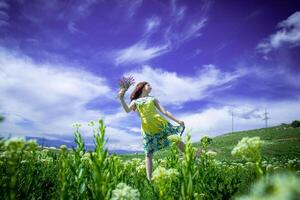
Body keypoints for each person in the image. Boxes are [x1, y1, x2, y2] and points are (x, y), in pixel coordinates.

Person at [118, 81, 202, 181]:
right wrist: (122, 99)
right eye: (148, 85)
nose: (150, 86)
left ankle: (193, 157)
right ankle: (150, 180)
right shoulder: (135, 101)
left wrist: (177, 120)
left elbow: (164, 112)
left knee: (177, 141)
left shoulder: (153, 99)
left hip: (160, 124)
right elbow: (127, 110)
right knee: (148, 152)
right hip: (147, 128)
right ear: (142, 87)